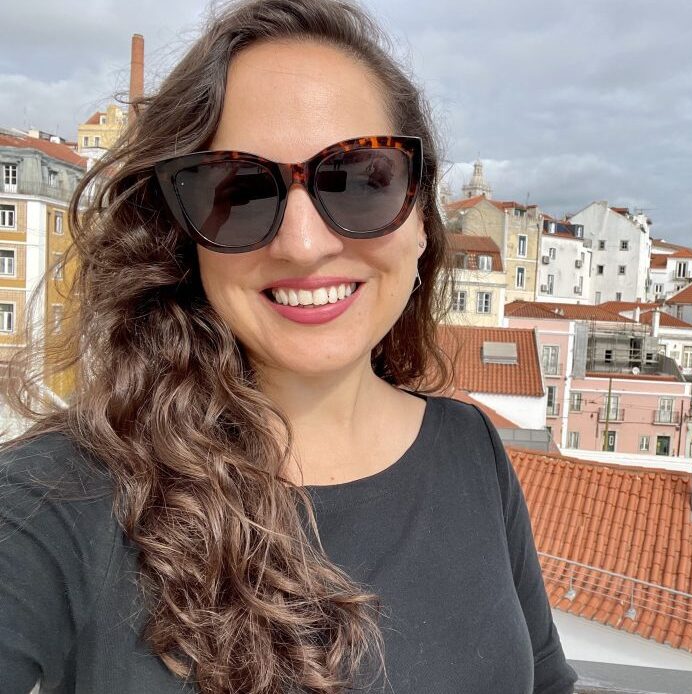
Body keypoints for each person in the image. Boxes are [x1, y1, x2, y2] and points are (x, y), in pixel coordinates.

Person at [0, 1, 577, 692]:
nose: (304, 244)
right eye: (238, 191)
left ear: (421, 215)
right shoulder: (59, 496)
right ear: (185, 235)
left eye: (361, 181)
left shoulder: (469, 449)